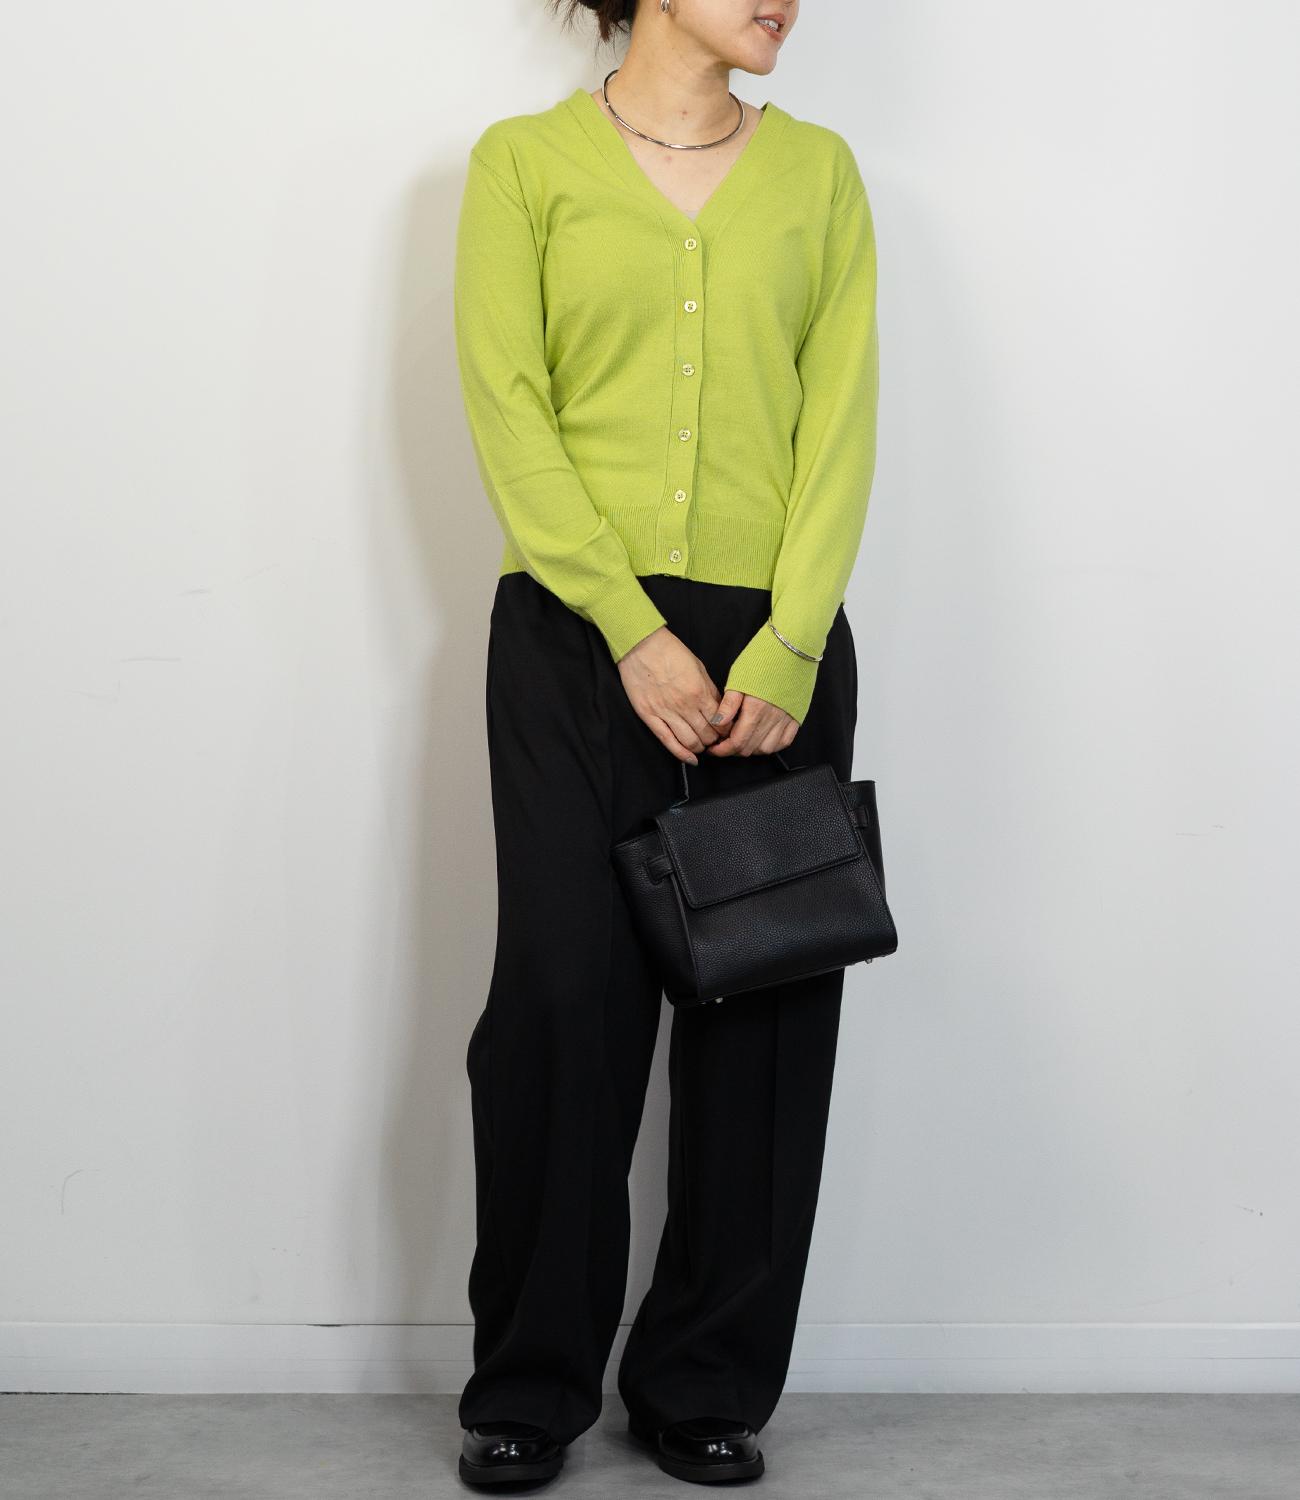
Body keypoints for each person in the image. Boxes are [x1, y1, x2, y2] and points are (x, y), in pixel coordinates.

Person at [450, 0, 879, 1485]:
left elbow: (842, 422)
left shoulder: (819, 175)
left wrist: (792, 640)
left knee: (763, 1008)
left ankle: (706, 1380)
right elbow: (510, 408)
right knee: (562, 1004)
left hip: (773, 658)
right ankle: (530, 1380)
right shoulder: (522, 166)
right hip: (578, 642)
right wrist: (631, 629)